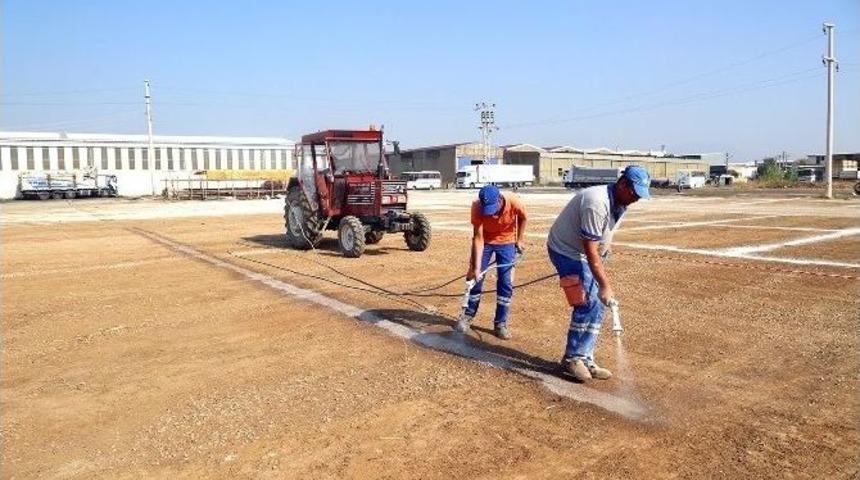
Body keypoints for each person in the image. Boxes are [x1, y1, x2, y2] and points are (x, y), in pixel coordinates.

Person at [546, 165, 650, 382]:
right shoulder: (596, 202)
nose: (636, 199)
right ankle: (572, 359)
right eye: (634, 193)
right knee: (586, 300)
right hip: (566, 249)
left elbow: (603, 235)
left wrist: (607, 248)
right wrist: (604, 283)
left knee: (599, 303)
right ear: (623, 184)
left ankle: (585, 356)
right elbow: (589, 248)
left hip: (584, 252)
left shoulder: (622, 201)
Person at [455, 184, 528, 339]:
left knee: (505, 282)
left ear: (500, 200)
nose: (489, 213)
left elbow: (523, 218)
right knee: (475, 279)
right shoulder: (477, 207)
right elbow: (478, 238)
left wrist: (520, 239)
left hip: (507, 242)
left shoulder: (514, 201)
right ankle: (467, 316)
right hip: (486, 242)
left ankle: (500, 323)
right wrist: (476, 268)